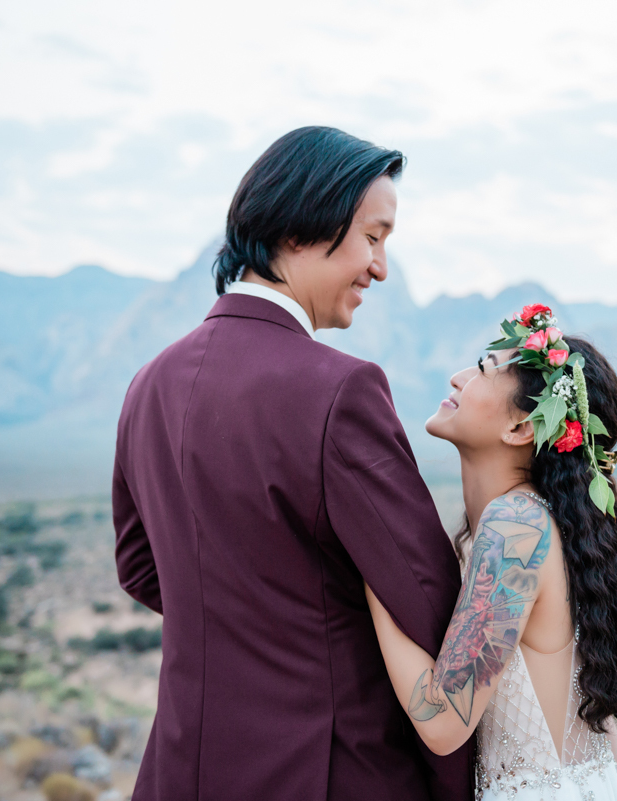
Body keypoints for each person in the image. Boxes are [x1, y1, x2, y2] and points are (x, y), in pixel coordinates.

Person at [112, 126, 472, 800]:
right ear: (303, 227)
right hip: (331, 771)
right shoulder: (341, 391)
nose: (381, 267)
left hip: (178, 772)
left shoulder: (147, 384)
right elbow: (423, 595)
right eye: (373, 236)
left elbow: (139, 565)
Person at [366, 304, 617, 800]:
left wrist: (372, 567)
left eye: (481, 369)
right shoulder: (544, 525)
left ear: (520, 429)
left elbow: (444, 720)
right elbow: (597, 719)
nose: (456, 378)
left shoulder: (517, 529)